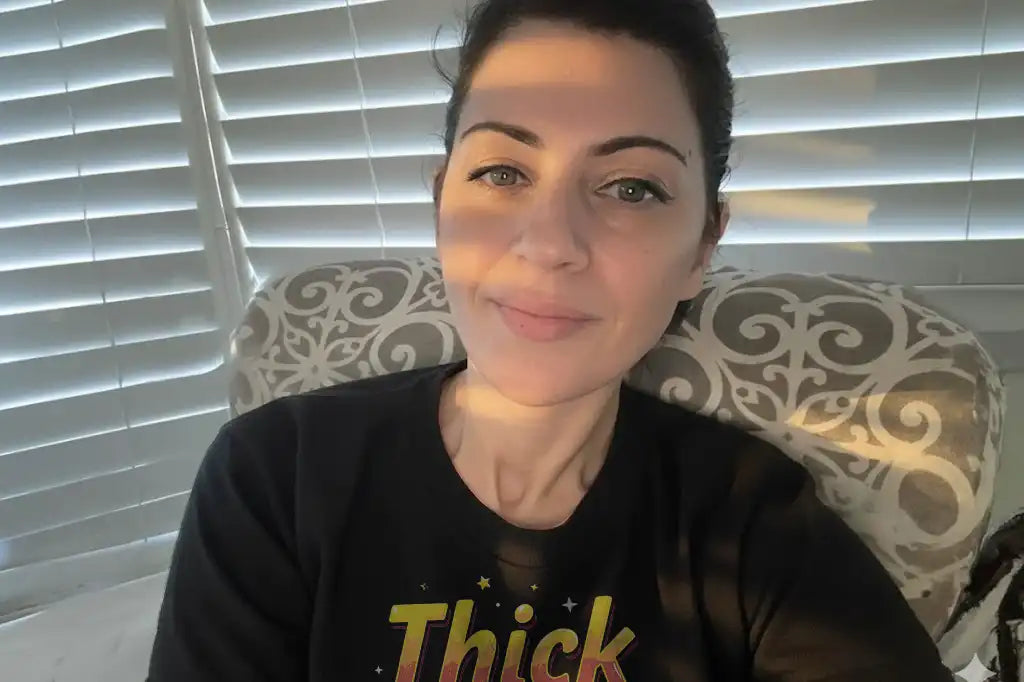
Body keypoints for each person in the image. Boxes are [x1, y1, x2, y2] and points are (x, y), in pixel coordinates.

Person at [148, 1, 953, 680]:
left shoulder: (752, 521)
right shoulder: (273, 476)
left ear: (703, 247)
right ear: (441, 203)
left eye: (631, 187)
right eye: (502, 173)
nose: (549, 244)